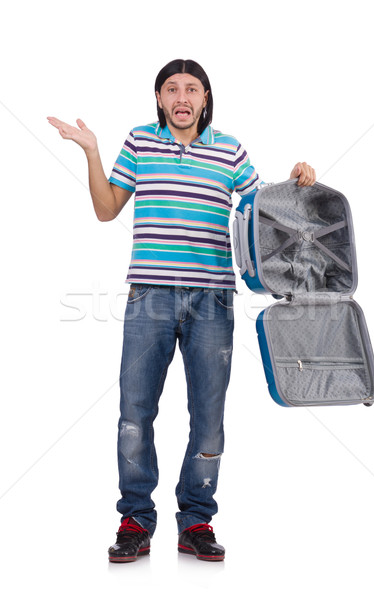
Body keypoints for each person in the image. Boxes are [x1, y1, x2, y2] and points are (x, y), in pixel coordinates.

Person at [47, 58, 316, 563]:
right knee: (135, 414)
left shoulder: (230, 150)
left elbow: (266, 213)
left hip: (212, 299)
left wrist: (297, 181)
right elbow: (106, 210)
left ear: (206, 98)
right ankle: (135, 520)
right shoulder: (140, 142)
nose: (181, 97)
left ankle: (195, 520)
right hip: (149, 295)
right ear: (160, 100)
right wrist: (92, 151)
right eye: (171, 89)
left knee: (208, 416)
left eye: (191, 88)